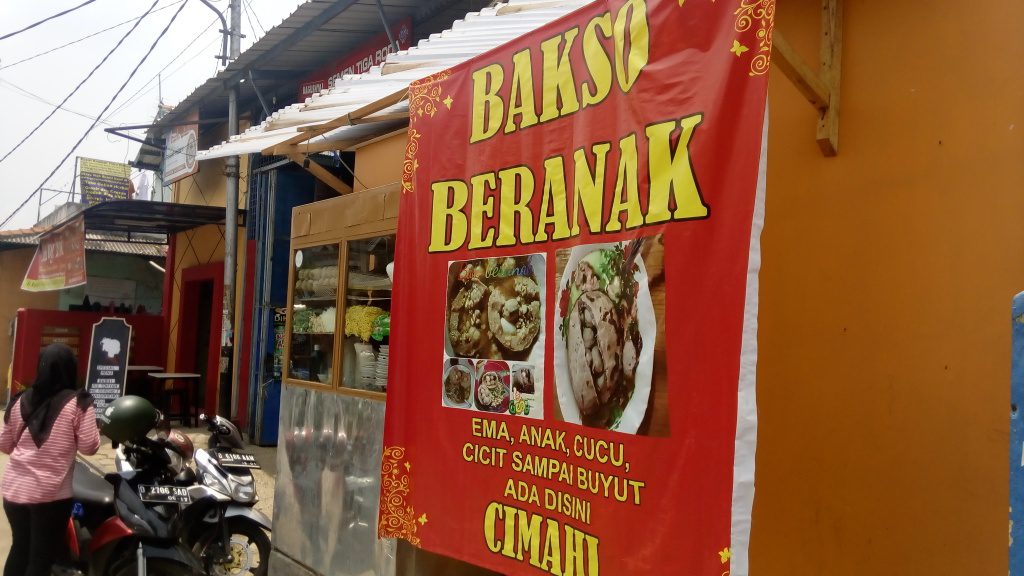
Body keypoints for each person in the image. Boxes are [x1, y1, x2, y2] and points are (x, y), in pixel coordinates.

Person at [0, 343, 100, 576]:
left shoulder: (19, 400)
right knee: (40, 558)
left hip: (14, 491)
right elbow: (90, 447)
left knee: (20, 548)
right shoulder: (79, 403)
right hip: (50, 497)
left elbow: (4, 444)